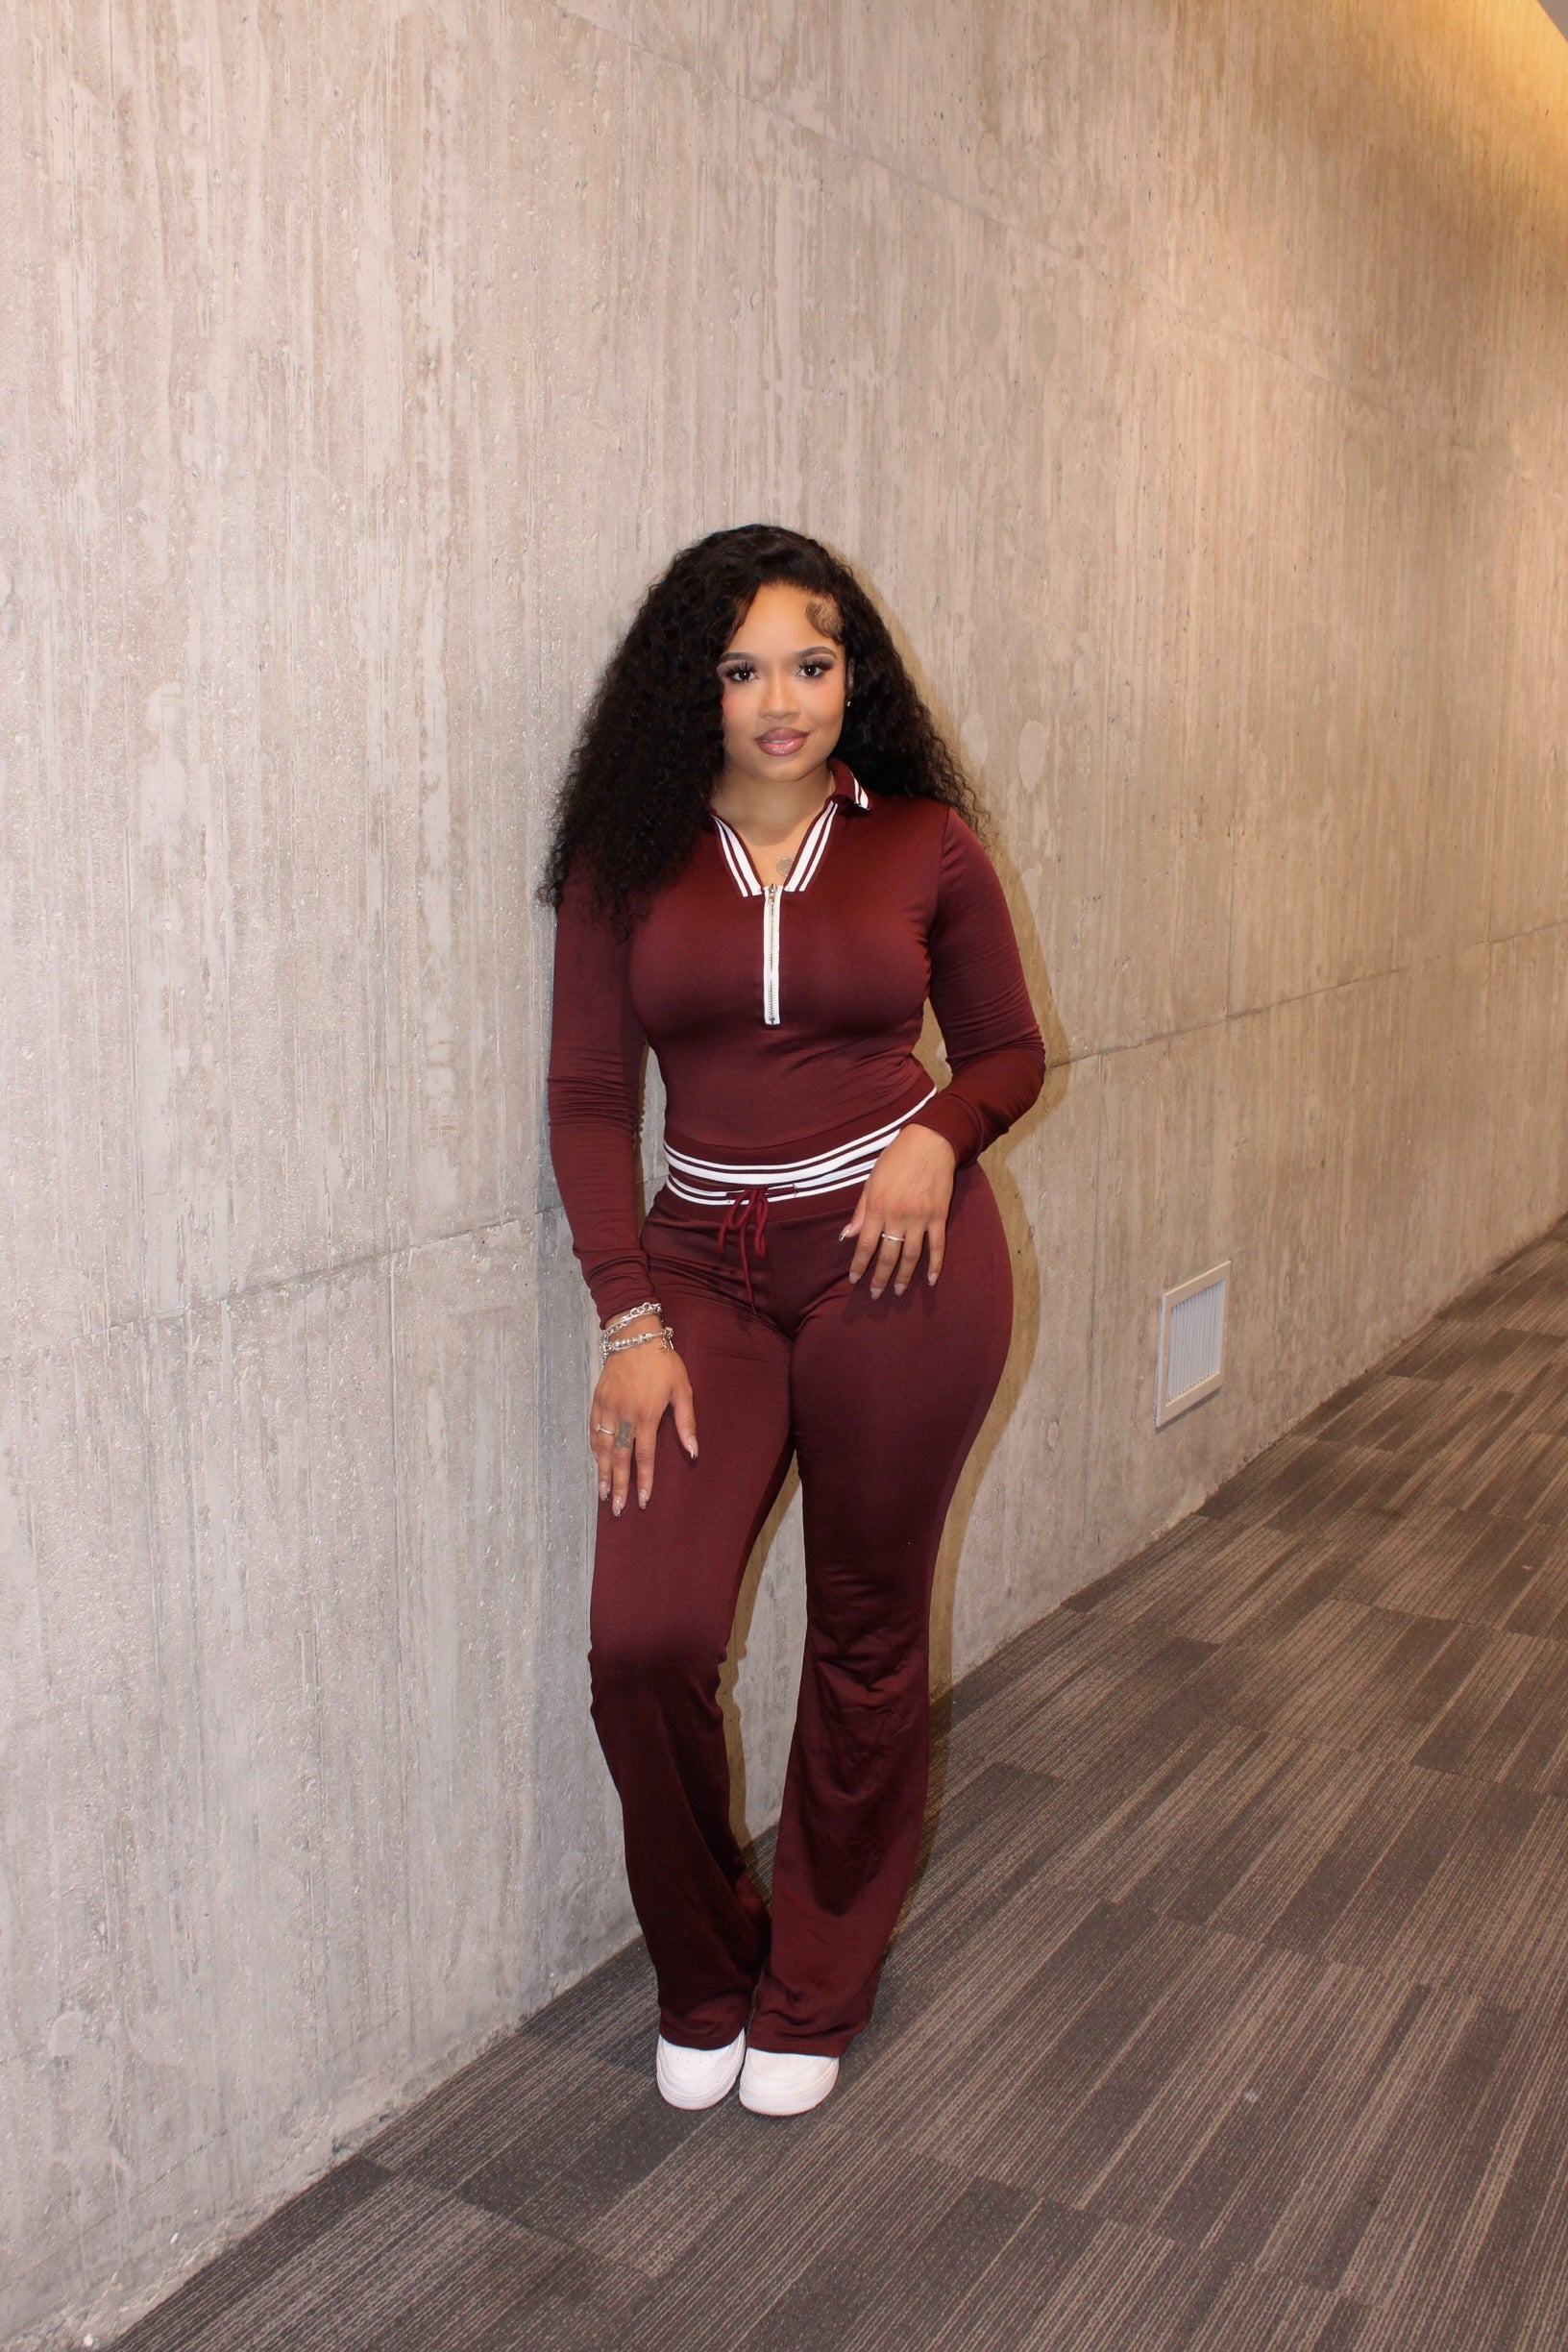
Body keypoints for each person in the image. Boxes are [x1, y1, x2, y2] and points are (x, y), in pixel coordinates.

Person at [543, 525, 1044, 2118]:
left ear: (854, 676)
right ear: (689, 687)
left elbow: (1008, 1052)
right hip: (700, 1276)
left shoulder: (925, 846)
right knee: (647, 1642)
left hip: (902, 1267)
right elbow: (586, 1101)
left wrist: (936, 1137)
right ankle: (709, 1971)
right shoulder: (626, 858)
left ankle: (819, 1977)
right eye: (743, 668)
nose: (781, 702)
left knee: (867, 1628)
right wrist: (629, 1318)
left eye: (812, 665)